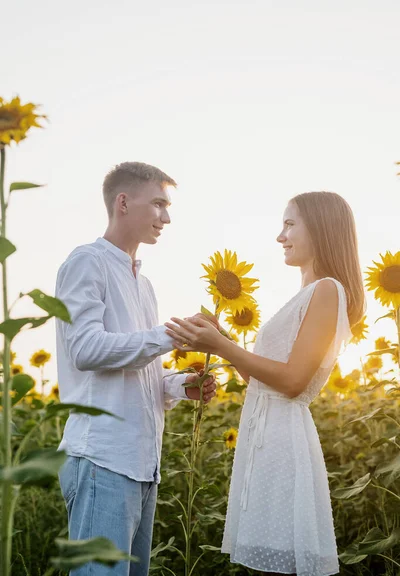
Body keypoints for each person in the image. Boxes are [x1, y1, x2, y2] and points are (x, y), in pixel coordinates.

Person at [165, 191, 365, 576]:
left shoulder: (327, 290)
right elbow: (264, 381)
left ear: (321, 229)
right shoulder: (308, 293)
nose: (281, 236)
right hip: (265, 436)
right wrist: (221, 339)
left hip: (282, 443)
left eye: (290, 224)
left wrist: (222, 345)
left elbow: (292, 383)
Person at [55, 161, 216, 576]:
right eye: (159, 204)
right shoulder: (87, 262)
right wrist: (171, 336)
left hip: (143, 465)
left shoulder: (143, 284)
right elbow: (86, 350)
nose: (167, 217)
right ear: (123, 202)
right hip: (102, 459)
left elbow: (138, 374)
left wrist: (181, 385)